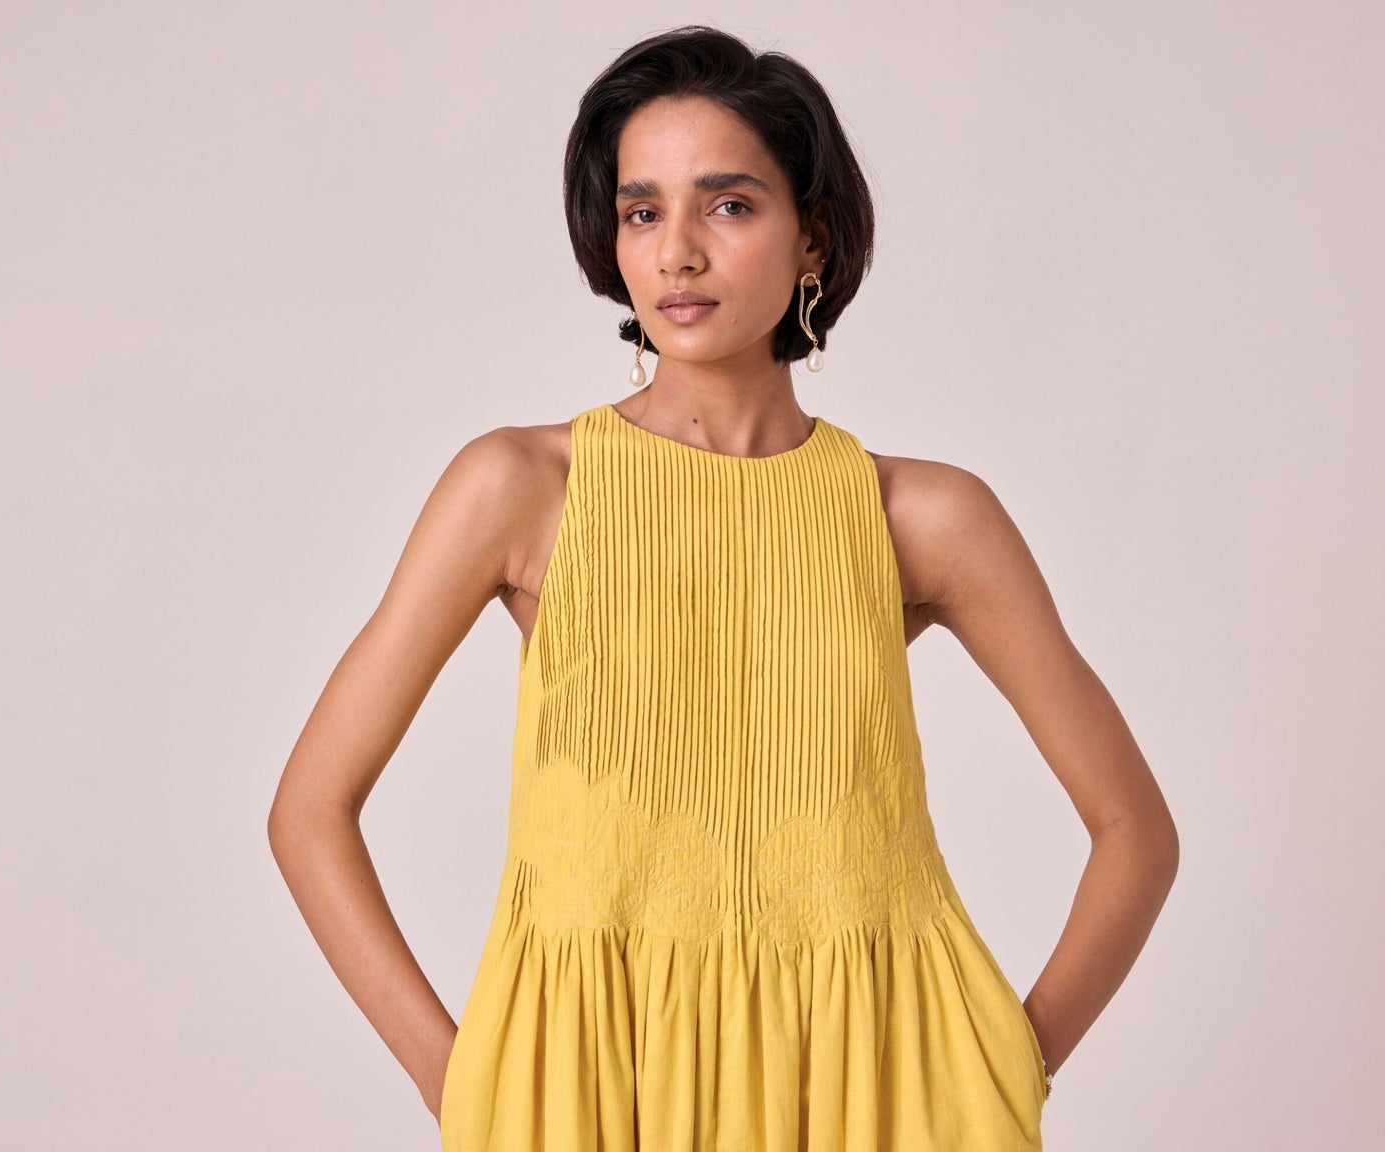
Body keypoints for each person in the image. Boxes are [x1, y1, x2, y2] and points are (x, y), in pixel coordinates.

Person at [268, 24, 1179, 1152]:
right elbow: (309, 811)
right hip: (593, 1090)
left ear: (813, 237)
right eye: (642, 211)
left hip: (870, 1098)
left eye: (730, 205)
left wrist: (1007, 1068)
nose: (678, 254)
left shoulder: (923, 517)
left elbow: (1134, 829)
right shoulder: (522, 488)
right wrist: (455, 1079)